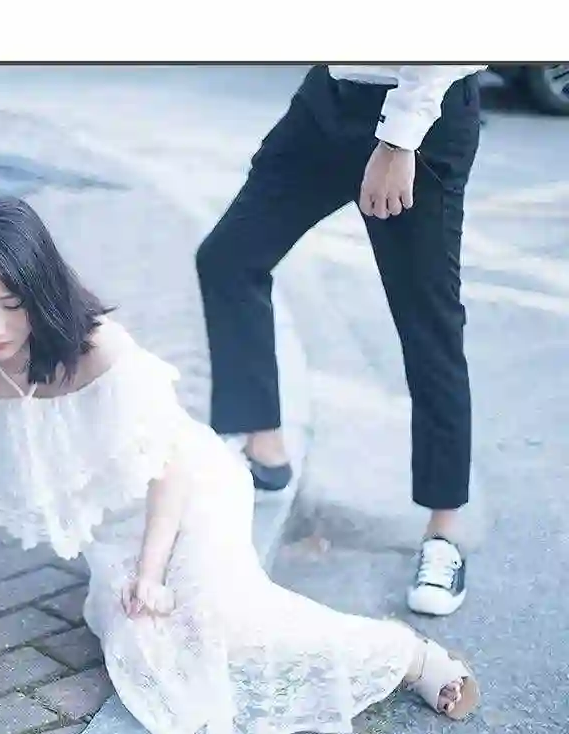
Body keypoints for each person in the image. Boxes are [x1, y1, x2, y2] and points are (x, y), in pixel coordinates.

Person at [0, 194, 479, 734]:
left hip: (190, 493)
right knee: (147, 651)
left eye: (11, 305)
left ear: (40, 290)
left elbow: (171, 466)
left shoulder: (99, 350)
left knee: (229, 624)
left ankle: (409, 656)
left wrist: (151, 574)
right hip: (117, 535)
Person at [196, 65, 485, 617]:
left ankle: (444, 532)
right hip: (328, 99)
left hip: (417, 113)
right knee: (228, 257)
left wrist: (398, 142)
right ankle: (264, 449)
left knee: (428, 325)